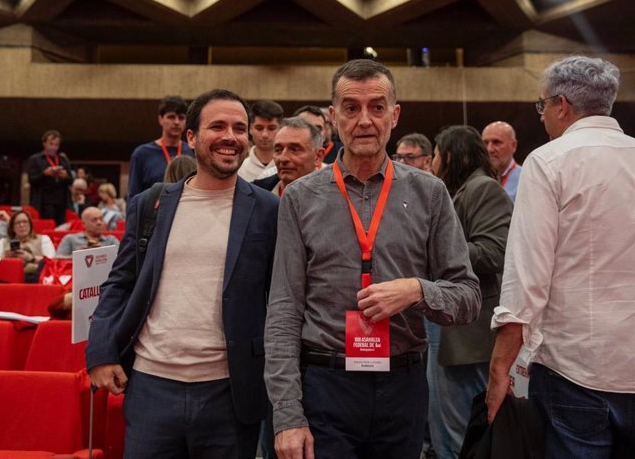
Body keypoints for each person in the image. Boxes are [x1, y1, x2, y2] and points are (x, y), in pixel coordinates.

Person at [264, 59, 481, 459]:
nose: (364, 120)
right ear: (333, 118)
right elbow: (283, 311)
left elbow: (467, 297)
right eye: (351, 108)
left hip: (403, 385)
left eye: (377, 107)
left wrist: (416, 290)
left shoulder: (430, 194)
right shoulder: (299, 198)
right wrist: (287, 414)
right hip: (325, 386)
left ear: (394, 115)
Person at [86, 89, 279, 458]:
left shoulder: (268, 208)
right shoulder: (151, 203)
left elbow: (280, 297)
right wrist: (100, 352)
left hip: (231, 391)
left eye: (240, 128)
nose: (231, 137)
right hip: (151, 388)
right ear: (190, 138)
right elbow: (120, 282)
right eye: (218, 126)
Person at [486, 55, 635, 458]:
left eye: (542, 106)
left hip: (575, 367)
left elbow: (526, 278)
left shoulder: (549, 160)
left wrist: (500, 368)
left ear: (562, 105)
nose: (542, 116)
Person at [428, 126, 512, 459]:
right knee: (448, 427)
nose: (432, 162)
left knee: (459, 433)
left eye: (434, 154)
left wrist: (434, 248)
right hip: (452, 323)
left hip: (469, 330)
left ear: (449, 155)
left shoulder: (482, 188)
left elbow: (494, 252)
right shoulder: (462, 190)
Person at [127, 96, 193, 198]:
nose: (176, 122)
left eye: (181, 118)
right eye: (171, 117)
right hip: (153, 213)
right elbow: (133, 197)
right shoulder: (142, 154)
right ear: (160, 119)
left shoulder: (193, 152)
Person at [253, 117, 325, 196]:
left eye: (294, 150)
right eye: (278, 150)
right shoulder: (255, 193)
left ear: (318, 156)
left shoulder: (335, 196)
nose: (283, 158)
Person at [0, 210, 55, 280]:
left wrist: (31, 258)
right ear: (12, 227)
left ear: (30, 225)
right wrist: (4, 257)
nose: (22, 225)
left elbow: (52, 262)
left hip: (36, 276)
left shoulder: (43, 239)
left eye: (25, 222)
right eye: (18, 223)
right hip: (9, 277)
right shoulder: (3, 242)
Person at [27, 130, 73, 226]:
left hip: (61, 201)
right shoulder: (35, 159)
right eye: (51, 144)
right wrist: (45, 173)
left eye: (56, 145)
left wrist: (65, 176)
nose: (53, 147)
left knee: (61, 226)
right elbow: (32, 180)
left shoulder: (63, 160)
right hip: (43, 201)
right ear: (44, 143)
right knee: (46, 225)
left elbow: (71, 181)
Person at [237, 100, 284, 181]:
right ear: (250, 128)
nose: (265, 135)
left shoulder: (288, 167)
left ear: (281, 129)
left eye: (271, 128)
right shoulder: (238, 169)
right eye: (259, 128)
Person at [55, 206, 119, 258]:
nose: (99, 223)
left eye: (101, 219)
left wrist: (102, 254)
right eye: (94, 220)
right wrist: (78, 256)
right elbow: (57, 259)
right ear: (83, 224)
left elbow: (122, 260)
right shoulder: (70, 239)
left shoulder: (111, 240)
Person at [481, 121, 521, 202]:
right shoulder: (477, 180)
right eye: (485, 143)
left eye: (496, 142)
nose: (489, 149)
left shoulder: (526, 178)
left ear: (513, 146)